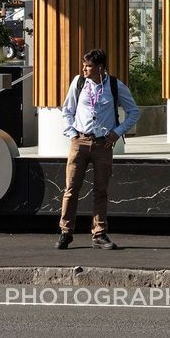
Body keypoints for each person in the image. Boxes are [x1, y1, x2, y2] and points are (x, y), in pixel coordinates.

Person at [56, 47, 140, 250]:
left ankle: (99, 234)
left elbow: (134, 112)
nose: (84, 69)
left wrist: (117, 132)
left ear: (100, 67)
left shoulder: (114, 85)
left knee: (100, 190)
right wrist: (72, 134)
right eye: (84, 65)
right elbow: (67, 110)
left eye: (89, 66)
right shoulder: (79, 82)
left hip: (103, 143)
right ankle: (66, 232)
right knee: (71, 189)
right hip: (80, 142)